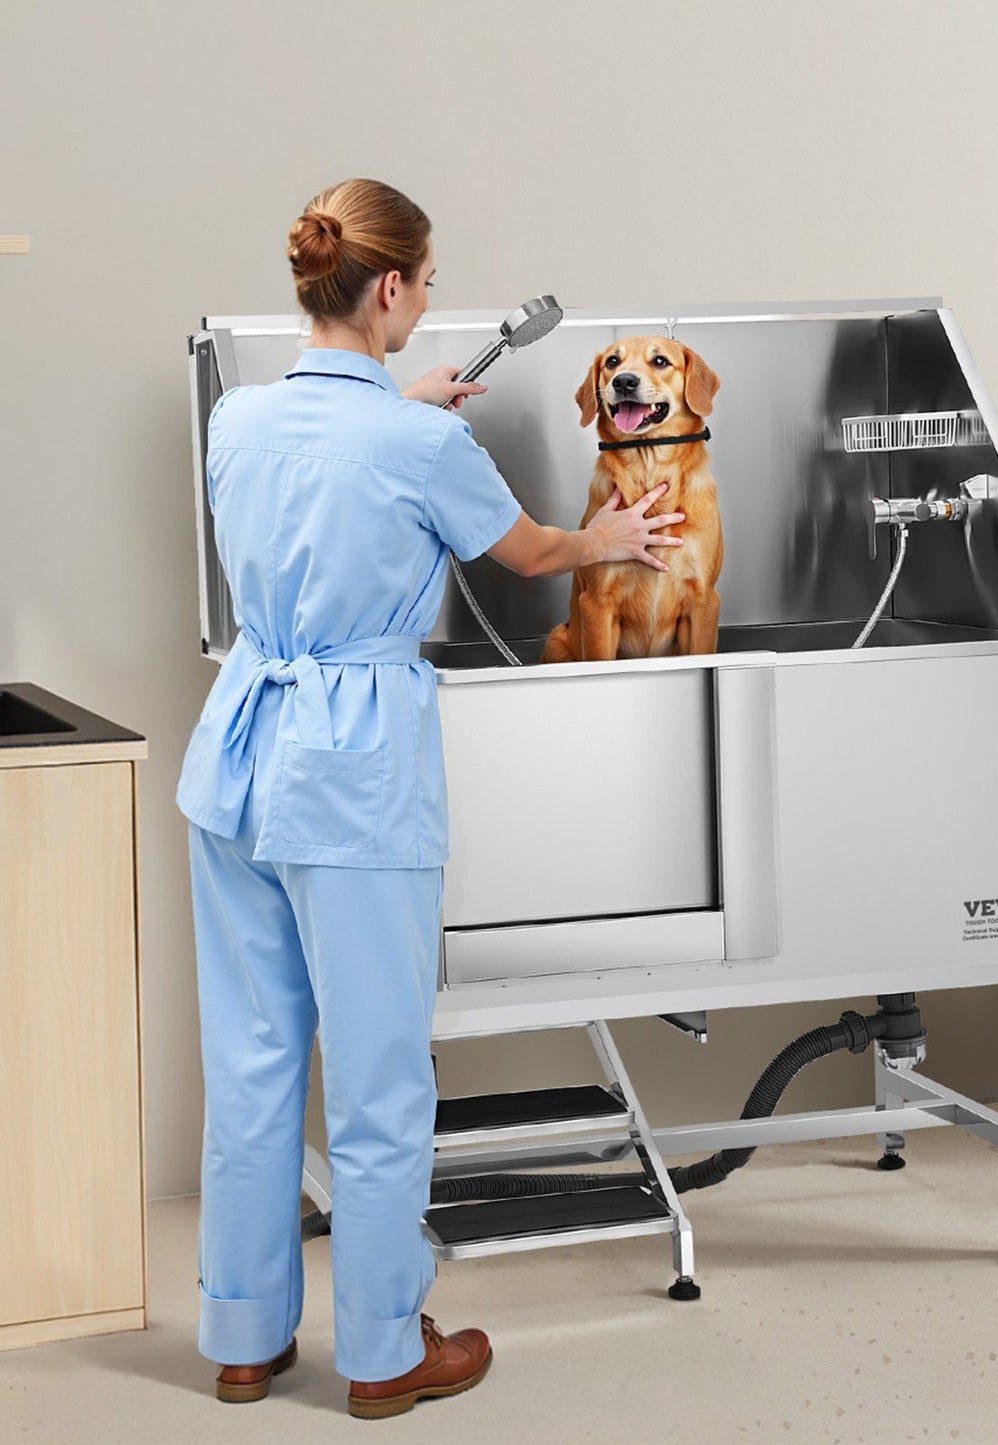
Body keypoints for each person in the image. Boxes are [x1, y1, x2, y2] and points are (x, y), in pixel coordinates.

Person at [175, 177, 683, 1418]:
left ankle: (243, 1339)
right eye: (427, 284)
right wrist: (611, 536)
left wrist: (400, 412)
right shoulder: (419, 442)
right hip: (350, 772)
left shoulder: (236, 419)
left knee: (250, 1064)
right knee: (380, 1070)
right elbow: (521, 550)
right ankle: (385, 1352)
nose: (424, 306)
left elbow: (318, 473)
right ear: (391, 288)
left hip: (237, 752)